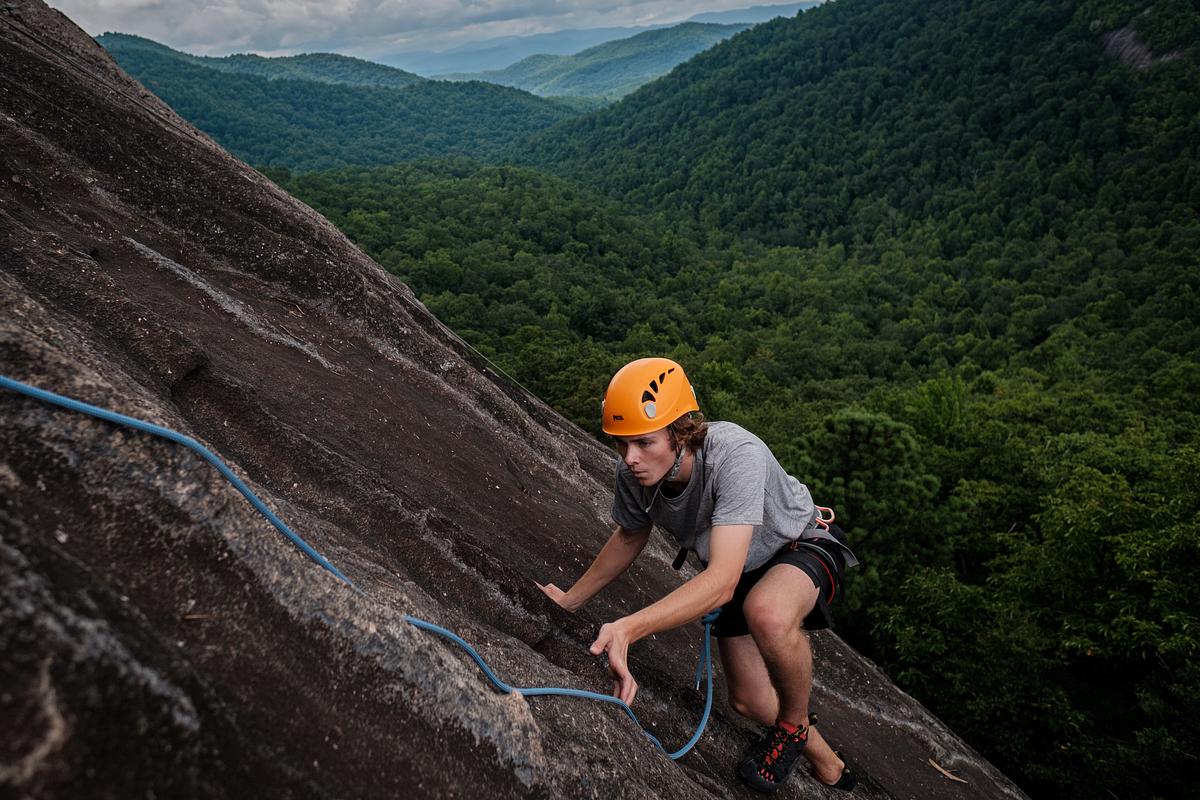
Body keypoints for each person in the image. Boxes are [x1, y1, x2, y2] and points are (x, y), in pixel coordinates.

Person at [537, 357, 858, 793]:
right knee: (747, 700)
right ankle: (829, 763)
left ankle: (793, 725)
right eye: (621, 444)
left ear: (679, 431)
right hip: (739, 564)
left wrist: (629, 628)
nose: (630, 459)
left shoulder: (735, 455)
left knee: (767, 612)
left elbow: (723, 581)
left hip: (797, 544)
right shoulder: (636, 472)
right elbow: (630, 537)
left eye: (643, 443)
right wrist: (570, 600)